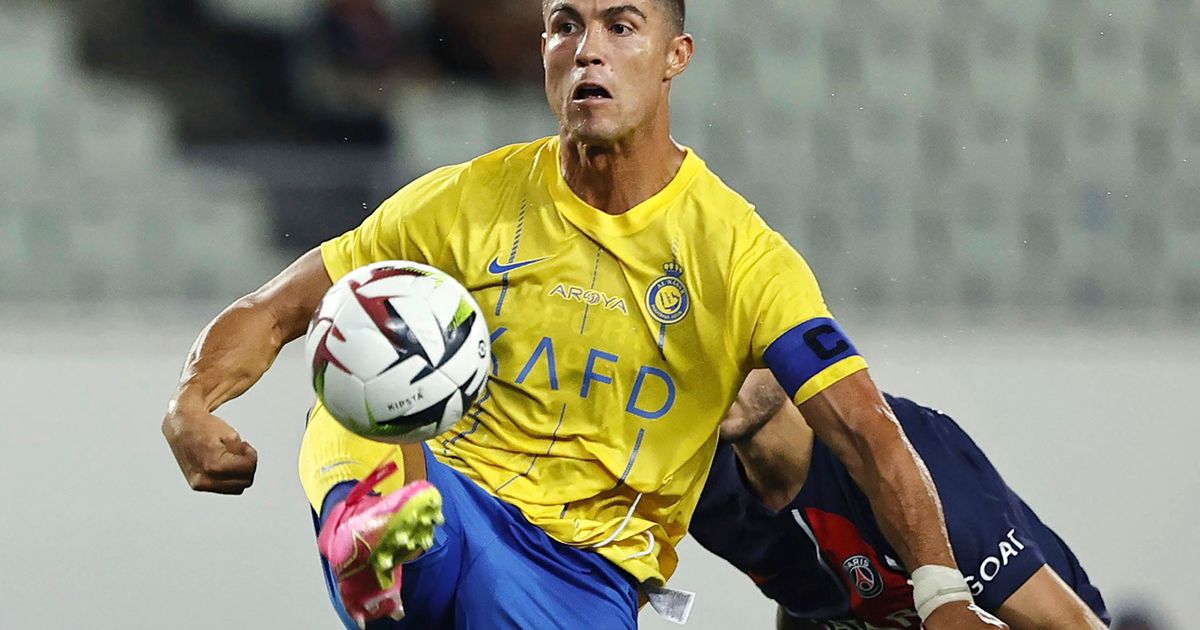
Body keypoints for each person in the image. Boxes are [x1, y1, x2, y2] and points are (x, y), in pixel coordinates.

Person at [161, 1, 1004, 628]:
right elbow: (278, 307)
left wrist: (942, 594)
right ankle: (379, 542)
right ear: (542, 53)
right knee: (363, 361)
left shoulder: (741, 257)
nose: (588, 49)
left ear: (676, 56)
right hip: (451, 492)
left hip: (581, 572)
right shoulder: (470, 201)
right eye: (566, 25)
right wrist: (190, 404)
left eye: (621, 27)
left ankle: (389, 554)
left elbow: (866, 431)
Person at [692, 370, 1110, 629]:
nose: (718, 363)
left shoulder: (907, 467)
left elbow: (1070, 624)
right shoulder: (704, 494)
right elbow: (814, 602)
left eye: (737, 341)